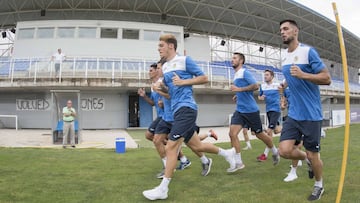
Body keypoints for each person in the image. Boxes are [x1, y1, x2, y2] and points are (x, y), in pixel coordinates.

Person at [143, 34, 236, 201]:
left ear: (171, 46)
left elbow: (204, 78)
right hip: (177, 110)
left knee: (171, 147)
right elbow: (171, 94)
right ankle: (227, 153)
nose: (158, 49)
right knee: (197, 146)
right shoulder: (166, 67)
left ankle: (163, 189)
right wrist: (161, 89)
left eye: (161, 46)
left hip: (187, 108)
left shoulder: (185, 60)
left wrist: (184, 82)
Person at [278, 19, 331, 201]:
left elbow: (326, 78)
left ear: (295, 31)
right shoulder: (284, 56)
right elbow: (288, 80)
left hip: (311, 114)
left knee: (313, 153)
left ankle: (319, 185)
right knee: (284, 150)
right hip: (294, 114)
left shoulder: (308, 52)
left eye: (285, 29)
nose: (282, 32)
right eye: (281, 30)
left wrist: (304, 75)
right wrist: (283, 96)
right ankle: (307, 160)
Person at [228, 52, 280, 171]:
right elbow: (244, 90)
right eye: (232, 58)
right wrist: (238, 95)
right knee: (232, 134)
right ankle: (238, 162)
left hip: (250, 110)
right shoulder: (236, 75)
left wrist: (239, 89)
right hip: (240, 110)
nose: (232, 60)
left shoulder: (244, 72)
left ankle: (274, 151)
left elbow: (255, 86)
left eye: (234, 58)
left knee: (260, 134)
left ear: (241, 61)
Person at [138, 63, 191, 178]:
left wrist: (163, 102)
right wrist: (144, 96)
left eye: (152, 70)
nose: (150, 72)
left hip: (169, 116)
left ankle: (174, 163)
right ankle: (182, 159)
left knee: (193, 143)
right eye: (151, 70)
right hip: (163, 116)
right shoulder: (153, 86)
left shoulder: (164, 81)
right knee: (154, 138)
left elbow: (171, 96)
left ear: (158, 71)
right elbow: (153, 103)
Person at [257, 69, 282, 161]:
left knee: (268, 131)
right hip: (268, 110)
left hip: (276, 110)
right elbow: (259, 96)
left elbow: (283, 93)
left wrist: (282, 102)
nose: (265, 76)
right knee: (275, 131)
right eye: (264, 75)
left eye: (267, 75)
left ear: (272, 76)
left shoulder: (277, 85)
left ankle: (266, 154)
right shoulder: (262, 86)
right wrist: (261, 97)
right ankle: (288, 128)